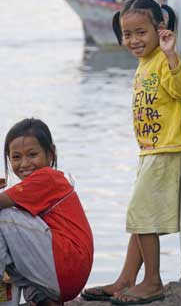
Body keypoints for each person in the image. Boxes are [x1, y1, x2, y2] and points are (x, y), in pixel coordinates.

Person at [82, 0, 181, 305]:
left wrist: (171, 55)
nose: (133, 40)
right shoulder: (144, 63)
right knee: (140, 217)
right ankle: (126, 279)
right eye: (127, 34)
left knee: (141, 216)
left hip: (167, 148)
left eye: (141, 32)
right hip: (150, 151)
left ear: (160, 30)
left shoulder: (162, 59)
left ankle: (153, 281)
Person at [0, 118, 94, 306]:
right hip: (66, 277)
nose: (24, 164)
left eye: (32, 155)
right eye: (16, 157)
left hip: (66, 266)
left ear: (50, 154)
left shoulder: (47, 177)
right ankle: (42, 300)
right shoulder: (35, 186)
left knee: (2, 216)